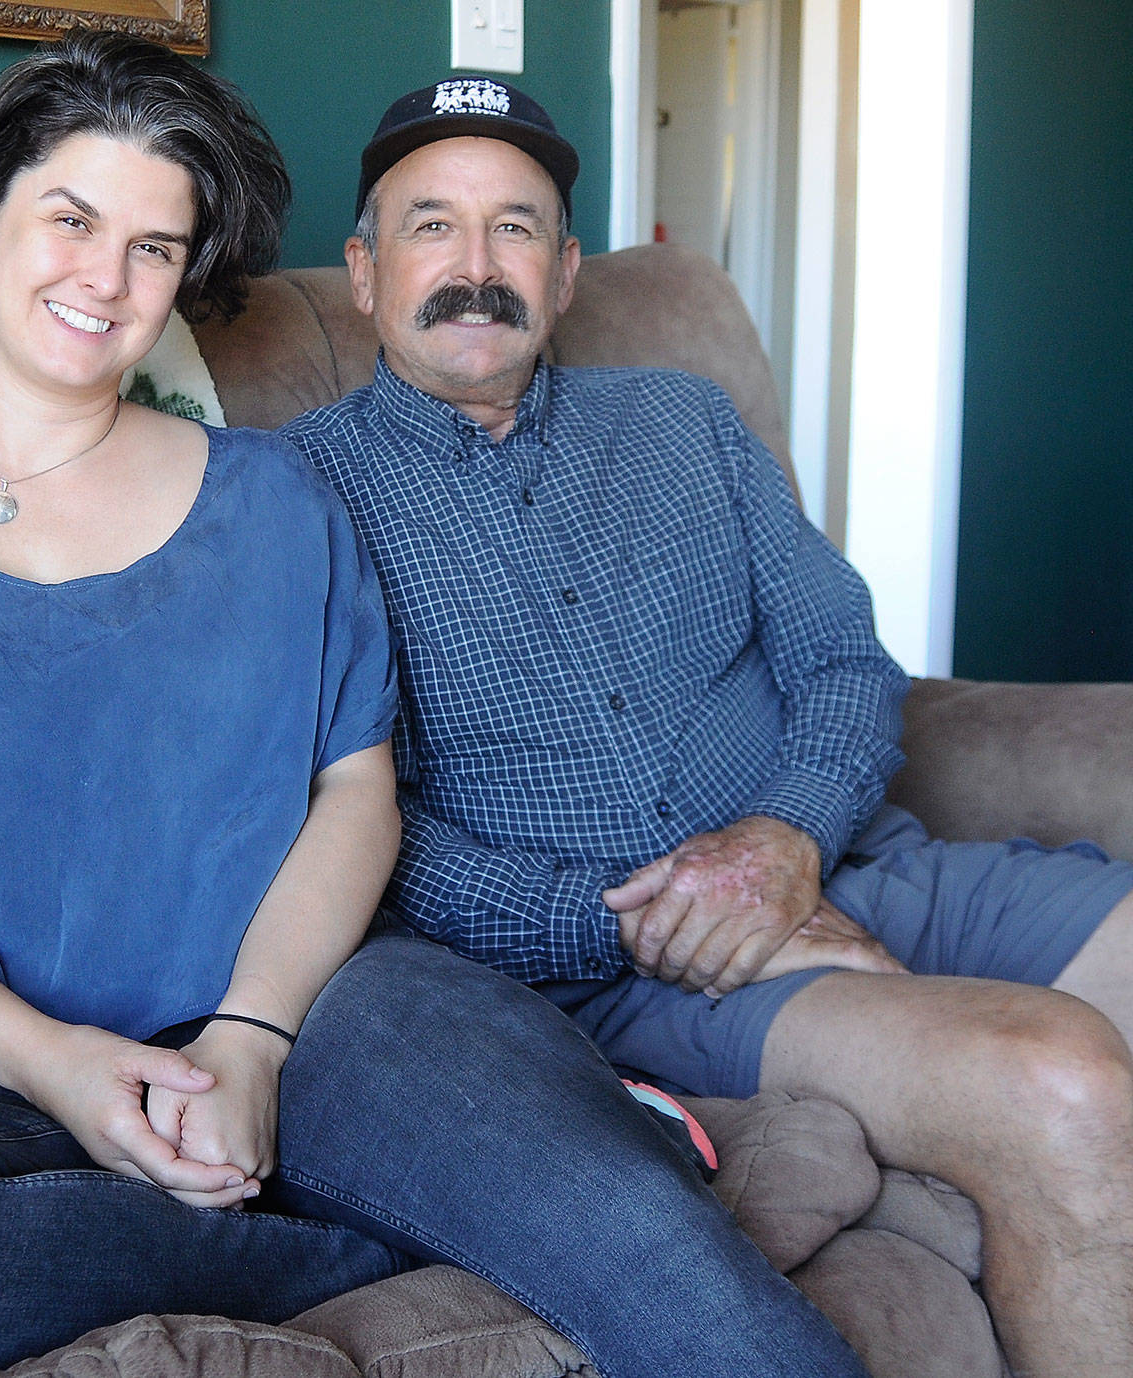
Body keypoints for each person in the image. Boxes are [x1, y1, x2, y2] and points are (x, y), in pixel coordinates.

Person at [0, 34, 866, 1378]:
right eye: (70, 218)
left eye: (154, 246)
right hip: (30, 1090)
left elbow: (356, 790)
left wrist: (251, 1036)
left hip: (341, 1018)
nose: (104, 276)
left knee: (666, 1274)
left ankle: (535, 1168)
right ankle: (419, 1220)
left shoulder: (273, 499)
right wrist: (55, 1061)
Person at [282, 74, 1133, 1378]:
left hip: (857, 865)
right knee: (1061, 1077)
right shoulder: (294, 500)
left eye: (516, 227)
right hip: (630, 976)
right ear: (363, 268)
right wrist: (646, 914)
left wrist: (787, 839)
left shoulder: (683, 421)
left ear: (566, 272)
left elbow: (847, 660)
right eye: (430, 225)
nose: (475, 265)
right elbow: (361, 835)